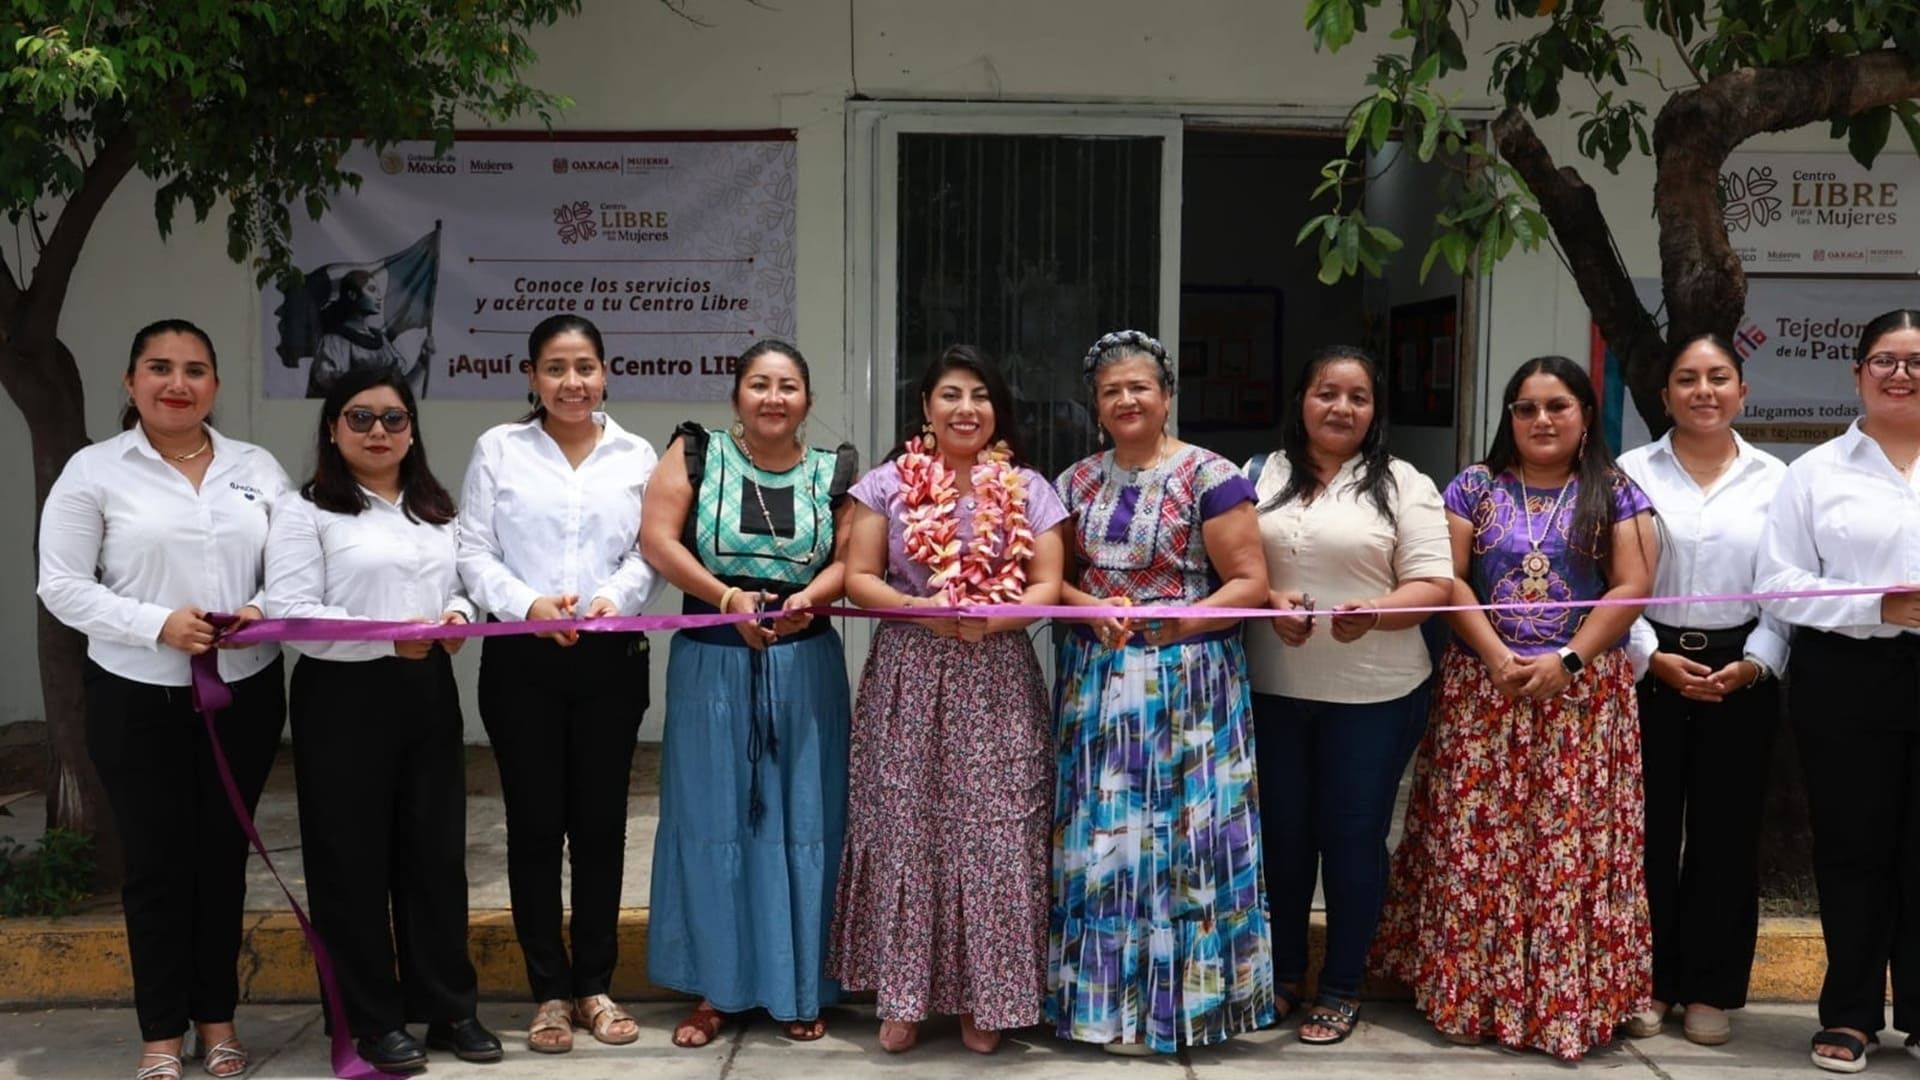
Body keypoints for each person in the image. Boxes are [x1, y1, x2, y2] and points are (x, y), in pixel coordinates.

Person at [1371, 355, 1656, 1060]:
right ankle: (1471, 995)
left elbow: (1633, 585)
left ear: (1587, 414)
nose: (1541, 420)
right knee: (1478, 848)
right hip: (1482, 694)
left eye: (1557, 405)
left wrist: (1569, 660)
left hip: (1583, 701)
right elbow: (1449, 578)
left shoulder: (1617, 491)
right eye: (1525, 407)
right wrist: (1497, 657)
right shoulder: (1474, 486)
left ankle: (1572, 1001)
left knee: (1568, 852)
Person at [37, 320, 288, 1080]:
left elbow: (296, 566)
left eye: (195, 369)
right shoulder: (94, 470)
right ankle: (158, 1031)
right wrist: (157, 624)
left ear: (214, 384)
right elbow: (62, 585)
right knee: (154, 866)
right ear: (131, 381)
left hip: (242, 692)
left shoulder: (256, 468)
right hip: (135, 694)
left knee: (221, 859)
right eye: (159, 367)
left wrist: (262, 610)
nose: (177, 383)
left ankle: (217, 1020)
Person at [827, 345, 1067, 1055]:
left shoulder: (1028, 488)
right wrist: (917, 609)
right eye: (951, 395)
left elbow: (1048, 586)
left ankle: (986, 1002)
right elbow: (858, 577)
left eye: (981, 396)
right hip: (908, 673)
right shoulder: (885, 485)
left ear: (998, 410)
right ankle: (902, 997)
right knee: (906, 828)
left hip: (996, 675)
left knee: (996, 833)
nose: (967, 409)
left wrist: (997, 617)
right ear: (926, 408)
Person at [263, 366, 496, 1073]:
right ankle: (371, 1018)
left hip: (425, 691)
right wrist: (383, 634)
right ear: (333, 429)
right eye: (360, 418)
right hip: (343, 697)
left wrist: (458, 617)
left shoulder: (434, 508)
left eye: (393, 419)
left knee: (433, 855)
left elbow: (462, 584)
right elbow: (291, 611)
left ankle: (448, 1005)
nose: (378, 432)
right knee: (350, 861)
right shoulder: (306, 511)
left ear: (412, 430)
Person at [1050, 329, 1274, 1055]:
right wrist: (1092, 611)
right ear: (1096, 406)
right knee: (1108, 841)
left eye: (1139, 386)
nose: (1126, 400)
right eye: (1111, 390)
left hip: (1191, 687)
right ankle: (1103, 1009)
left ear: (1167, 396)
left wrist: (1182, 622)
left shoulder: (1211, 476)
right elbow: (1053, 580)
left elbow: (1249, 584)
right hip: (1101, 680)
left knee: (1185, 842)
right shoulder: (1074, 482)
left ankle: (1183, 1012)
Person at [640, 339, 858, 1048]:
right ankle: (718, 988)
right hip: (713, 662)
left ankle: (799, 985)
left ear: (808, 400)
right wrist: (727, 597)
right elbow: (658, 540)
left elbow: (854, 559)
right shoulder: (696, 453)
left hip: (803, 667)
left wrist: (809, 603)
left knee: (803, 824)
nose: (773, 397)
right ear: (736, 396)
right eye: (759, 384)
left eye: (788, 385)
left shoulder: (835, 471)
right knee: (714, 825)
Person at [455, 314, 658, 1054]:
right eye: (555, 368)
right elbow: (472, 550)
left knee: (601, 828)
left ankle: (594, 985)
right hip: (521, 659)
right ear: (532, 377)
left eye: (585, 367)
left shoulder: (637, 455)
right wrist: (526, 606)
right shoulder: (499, 450)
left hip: (611, 657)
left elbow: (650, 549)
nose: (571, 383)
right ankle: (548, 989)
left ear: (606, 373)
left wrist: (615, 601)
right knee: (536, 827)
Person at [1243, 345, 1452, 1045]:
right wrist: (1271, 599)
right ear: (1300, 399)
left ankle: (1341, 984)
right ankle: (1284, 975)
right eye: (1326, 392)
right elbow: (1233, 570)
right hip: (1271, 688)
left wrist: (1379, 612)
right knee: (1284, 839)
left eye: (1358, 397)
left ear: (1375, 410)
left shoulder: (1404, 483)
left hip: (1375, 694)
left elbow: (1434, 586)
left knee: (1353, 837)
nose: (1341, 408)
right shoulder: (1255, 476)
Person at [1755, 308, 1920, 1074]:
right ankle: (1851, 1014)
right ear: (1856, 373)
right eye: (1884, 359)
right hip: (1848, 677)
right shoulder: (1815, 472)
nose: (1901, 373)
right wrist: (1874, 605)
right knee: (1854, 850)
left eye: (1916, 360)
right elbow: (1776, 586)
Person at [1616, 334, 1788, 1048]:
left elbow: (1787, 584)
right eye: (1687, 379)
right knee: (1646, 833)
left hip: (1741, 668)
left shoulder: (1778, 479)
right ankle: (1648, 980)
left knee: (1724, 835)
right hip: (1649, 662)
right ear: (1664, 397)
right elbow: (1610, 577)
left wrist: (1757, 661)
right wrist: (1647, 656)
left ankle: (1711, 990)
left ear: (1742, 392)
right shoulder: (1630, 470)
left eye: (1719, 378)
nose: (1703, 391)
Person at [306, 270, 432, 399]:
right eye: (371, 289)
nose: (379, 297)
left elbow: (399, 392)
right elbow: (330, 385)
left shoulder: (382, 343)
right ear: (352, 295)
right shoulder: (333, 342)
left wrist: (421, 362)